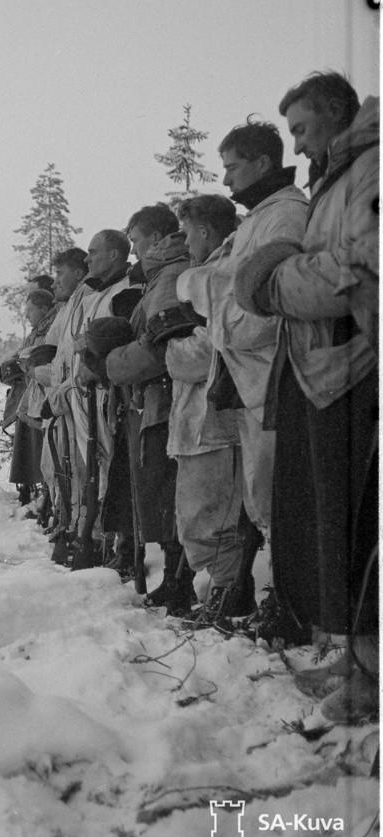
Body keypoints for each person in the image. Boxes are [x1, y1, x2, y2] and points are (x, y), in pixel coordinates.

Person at [235, 72, 378, 722]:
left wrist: (275, 281)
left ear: (335, 115)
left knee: (360, 525)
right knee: (330, 522)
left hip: (357, 370)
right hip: (322, 372)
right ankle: (354, 657)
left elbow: (362, 268)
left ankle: (372, 676)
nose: (296, 141)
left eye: (300, 127)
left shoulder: (371, 170)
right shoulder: (332, 180)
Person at [174, 120, 309, 636]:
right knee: (260, 494)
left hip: (275, 374)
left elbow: (266, 304)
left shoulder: (286, 217)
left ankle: (291, 607)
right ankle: (281, 602)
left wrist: (200, 292)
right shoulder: (257, 220)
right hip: (250, 380)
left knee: (274, 496)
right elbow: (230, 289)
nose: (227, 179)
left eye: (232, 166)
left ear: (260, 163)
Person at [159, 195, 248, 624]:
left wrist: (171, 349)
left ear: (206, 231)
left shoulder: (224, 270)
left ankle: (228, 597)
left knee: (214, 518)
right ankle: (218, 594)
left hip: (217, 420)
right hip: (197, 420)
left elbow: (215, 343)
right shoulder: (210, 271)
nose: (187, 241)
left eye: (189, 231)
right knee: (197, 517)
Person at [102, 205, 191, 611]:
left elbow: (158, 347)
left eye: (136, 241)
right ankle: (175, 576)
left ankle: (180, 578)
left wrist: (113, 364)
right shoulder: (160, 276)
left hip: (166, 398)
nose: (134, 249)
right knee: (162, 489)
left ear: (156, 239)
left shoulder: (170, 276)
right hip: (155, 399)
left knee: (170, 490)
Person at [43, 231, 140, 567]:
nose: (88, 259)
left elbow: (116, 342)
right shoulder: (90, 295)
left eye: (94, 252)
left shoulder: (125, 292)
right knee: (88, 469)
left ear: (114, 255)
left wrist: (96, 369)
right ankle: (91, 535)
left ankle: (119, 545)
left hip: (107, 395)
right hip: (82, 396)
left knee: (111, 468)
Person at [32, 248, 89, 553]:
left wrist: (58, 383)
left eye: (60, 274)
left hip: (79, 400)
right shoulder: (68, 306)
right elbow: (56, 352)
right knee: (61, 469)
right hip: (64, 400)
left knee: (84, 474)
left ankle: (87, 539)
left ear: (79, 273)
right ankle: (69, 528)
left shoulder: (87, 300)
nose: (54, 283)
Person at [6, 287, 57, 509]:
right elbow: (20, 355)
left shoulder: (52, 329)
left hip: (44, 399)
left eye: (30, 310)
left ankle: (48, 500)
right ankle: (34, 494)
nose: (27, 315)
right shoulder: (35, 332)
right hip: (32, 397)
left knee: (46, 454)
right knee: (31, 451)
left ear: (44, 309)